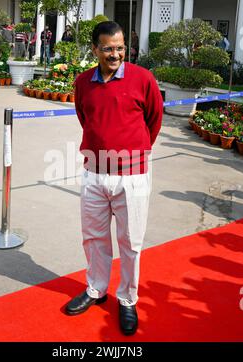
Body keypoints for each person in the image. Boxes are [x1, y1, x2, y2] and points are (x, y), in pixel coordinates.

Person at [65, 21, 163, 336]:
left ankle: (127, 298)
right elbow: (85, 117)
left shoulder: (143, 79)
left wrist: (132, 151)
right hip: (94, 171)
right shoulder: (83, 83)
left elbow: (154, 119)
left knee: (131, 242)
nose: (115, 54)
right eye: (108, 48)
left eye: (120, 47)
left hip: (132, 175)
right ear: (95, 49)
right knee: (93, 237)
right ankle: (96, 289)